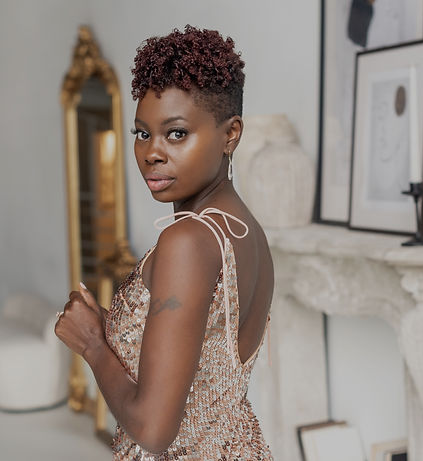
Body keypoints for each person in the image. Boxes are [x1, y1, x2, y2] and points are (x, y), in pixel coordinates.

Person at [55, 24, 274, 460]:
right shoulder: (245, 229)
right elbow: (203, 360)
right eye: (142, 133)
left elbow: (154, 430)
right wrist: (110, 326)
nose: (152, 152)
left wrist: (93, 345)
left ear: (230, 134)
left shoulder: (187, 240)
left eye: (176, 134)